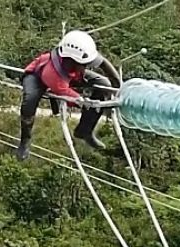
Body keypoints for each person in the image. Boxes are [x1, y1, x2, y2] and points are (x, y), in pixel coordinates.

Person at [17, 30, 122, 160]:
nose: (87, 66)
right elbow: (70, 97)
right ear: (71, 60)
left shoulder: (82, 54)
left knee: (103, 83)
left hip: (71, 74)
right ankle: (25, 140)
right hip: (37, 77)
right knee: (30, 100)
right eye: (84, 65)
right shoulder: (52, 74)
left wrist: (118, 88)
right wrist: (86, 101)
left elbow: (104, 64)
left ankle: (84, 130)